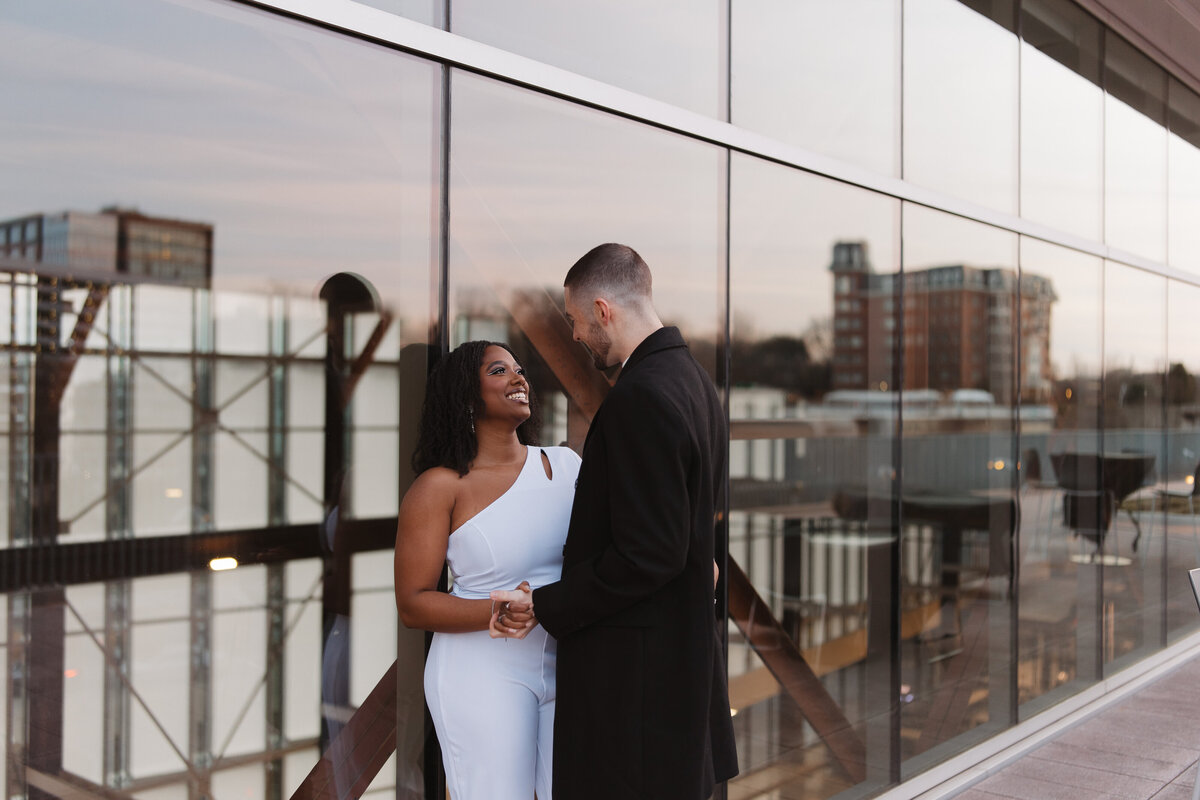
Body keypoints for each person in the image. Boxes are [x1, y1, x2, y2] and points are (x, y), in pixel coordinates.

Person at [493, 243, 739, 799]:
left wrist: (548, 604)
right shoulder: (696, 382)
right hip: (678, 670)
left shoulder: (641, 397)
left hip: (640, 691)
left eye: (577, 322)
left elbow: (650, 552)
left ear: (604, 310)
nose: (576, 337)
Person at [394, 340, 580, 800]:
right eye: (499, 371)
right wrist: (496, 612)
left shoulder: (567, 465)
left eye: (519, 370)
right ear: (465, 396)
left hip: (571, 663)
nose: (519, 378)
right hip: (481, 673)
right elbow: (413, 603)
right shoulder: (439, 487)